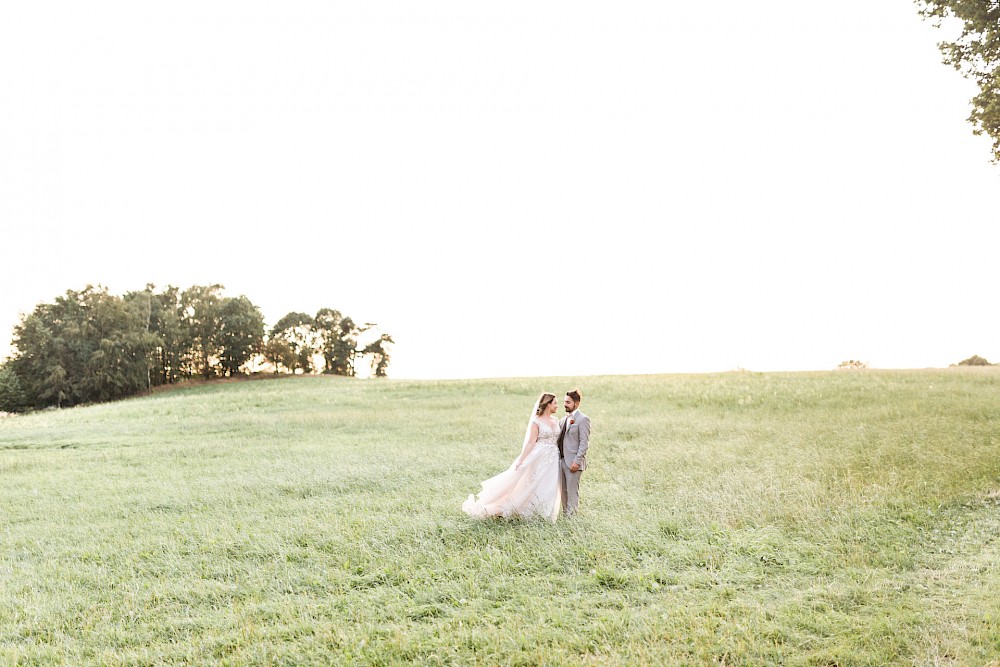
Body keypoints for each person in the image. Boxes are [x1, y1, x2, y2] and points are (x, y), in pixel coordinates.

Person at [462, 393, 562, 522]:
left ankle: (544, 514)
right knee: (531, 483)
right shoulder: (536, 422)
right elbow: (531, 442)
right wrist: (522, 460)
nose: (557, 406)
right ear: (548, 404)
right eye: (555, 403)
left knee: (550, 484)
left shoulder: (556, 420)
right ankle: (513, 509)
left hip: (553, 458)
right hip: (540, 456)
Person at [558, 389, 591, 516]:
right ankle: (567, 516)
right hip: (561, 461)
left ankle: (572, 519)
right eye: (564, 402)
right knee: (564, 494)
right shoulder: (563, 420)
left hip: (573, 464)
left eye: (568, 402)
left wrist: (577, 462)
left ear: (576, 404)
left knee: (572, 493)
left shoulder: (583, 419)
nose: (565, 404)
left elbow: (584, 443)